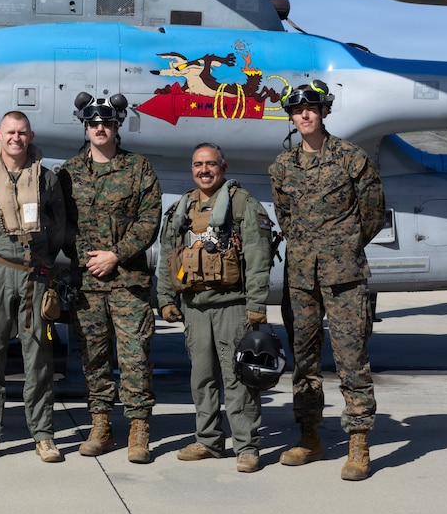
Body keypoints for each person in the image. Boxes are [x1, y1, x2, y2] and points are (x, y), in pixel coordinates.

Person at [269, 81, 385, 481]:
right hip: (301, 277)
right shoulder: (282, 167)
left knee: (352, 361)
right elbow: (285, 217)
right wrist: (309, 249)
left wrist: (342, 249)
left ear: (323, 113)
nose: (304, 115)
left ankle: (358, 443)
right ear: (291, 117)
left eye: (312, 109)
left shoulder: (352, 159)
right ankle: (309, 437)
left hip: (345, 277)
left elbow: (372, 215)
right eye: (297, 111)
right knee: (304, 362)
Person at [157, 143, 274, 473]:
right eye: (198, 165)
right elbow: (170, 255)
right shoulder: (183, 207)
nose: (204, 170)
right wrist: (165, 299)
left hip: (233, 307)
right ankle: (208, 440)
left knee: (239, 379)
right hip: (194, 308)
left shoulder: (242, 204)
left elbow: (257, 256)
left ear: (223, 167)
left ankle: (247, 446)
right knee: (201, 378)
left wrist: (256, 304)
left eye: (210, 164)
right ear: (191, 168)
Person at [58, 93, 162, 464]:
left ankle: (138, 428)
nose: (99, 128)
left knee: (135, 357)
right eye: (92, 123)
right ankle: (100, 424)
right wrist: (90, 258)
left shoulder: (138, 169)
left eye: (106, 122)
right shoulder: (68, 173)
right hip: (88, 282)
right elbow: (63, 225)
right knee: (94, 357)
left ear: (117, 126)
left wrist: (116, 255)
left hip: (128, 281)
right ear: (85, 127)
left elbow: (150, 220)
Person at [0, 111, 67, 463]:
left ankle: (43, 435)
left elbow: (60, 225)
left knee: (38, 357)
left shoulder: (46, 180)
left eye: (22, 132)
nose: (16, 138)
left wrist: (45, 262)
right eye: (10, 132)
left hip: (34, 273)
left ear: (30, 135)